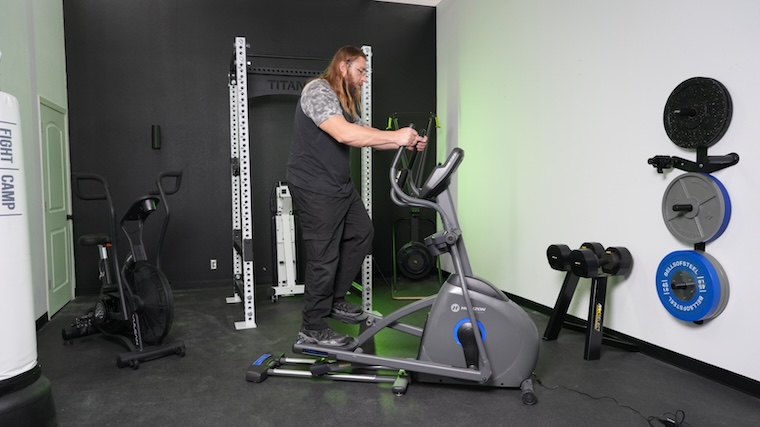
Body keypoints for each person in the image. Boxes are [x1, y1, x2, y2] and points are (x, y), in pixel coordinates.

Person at [286, 46, 427, 347]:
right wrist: (395, 136)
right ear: (343, 66)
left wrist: (407, 142)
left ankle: (335, 299)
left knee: (362, 233)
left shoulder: (345, 101)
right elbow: (344, 134)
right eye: (361, 71)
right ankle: (311, 328)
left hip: (337, 185)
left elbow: (367, 135)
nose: (364, 78)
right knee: (324, 257)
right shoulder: (318, 91)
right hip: (313, 186)